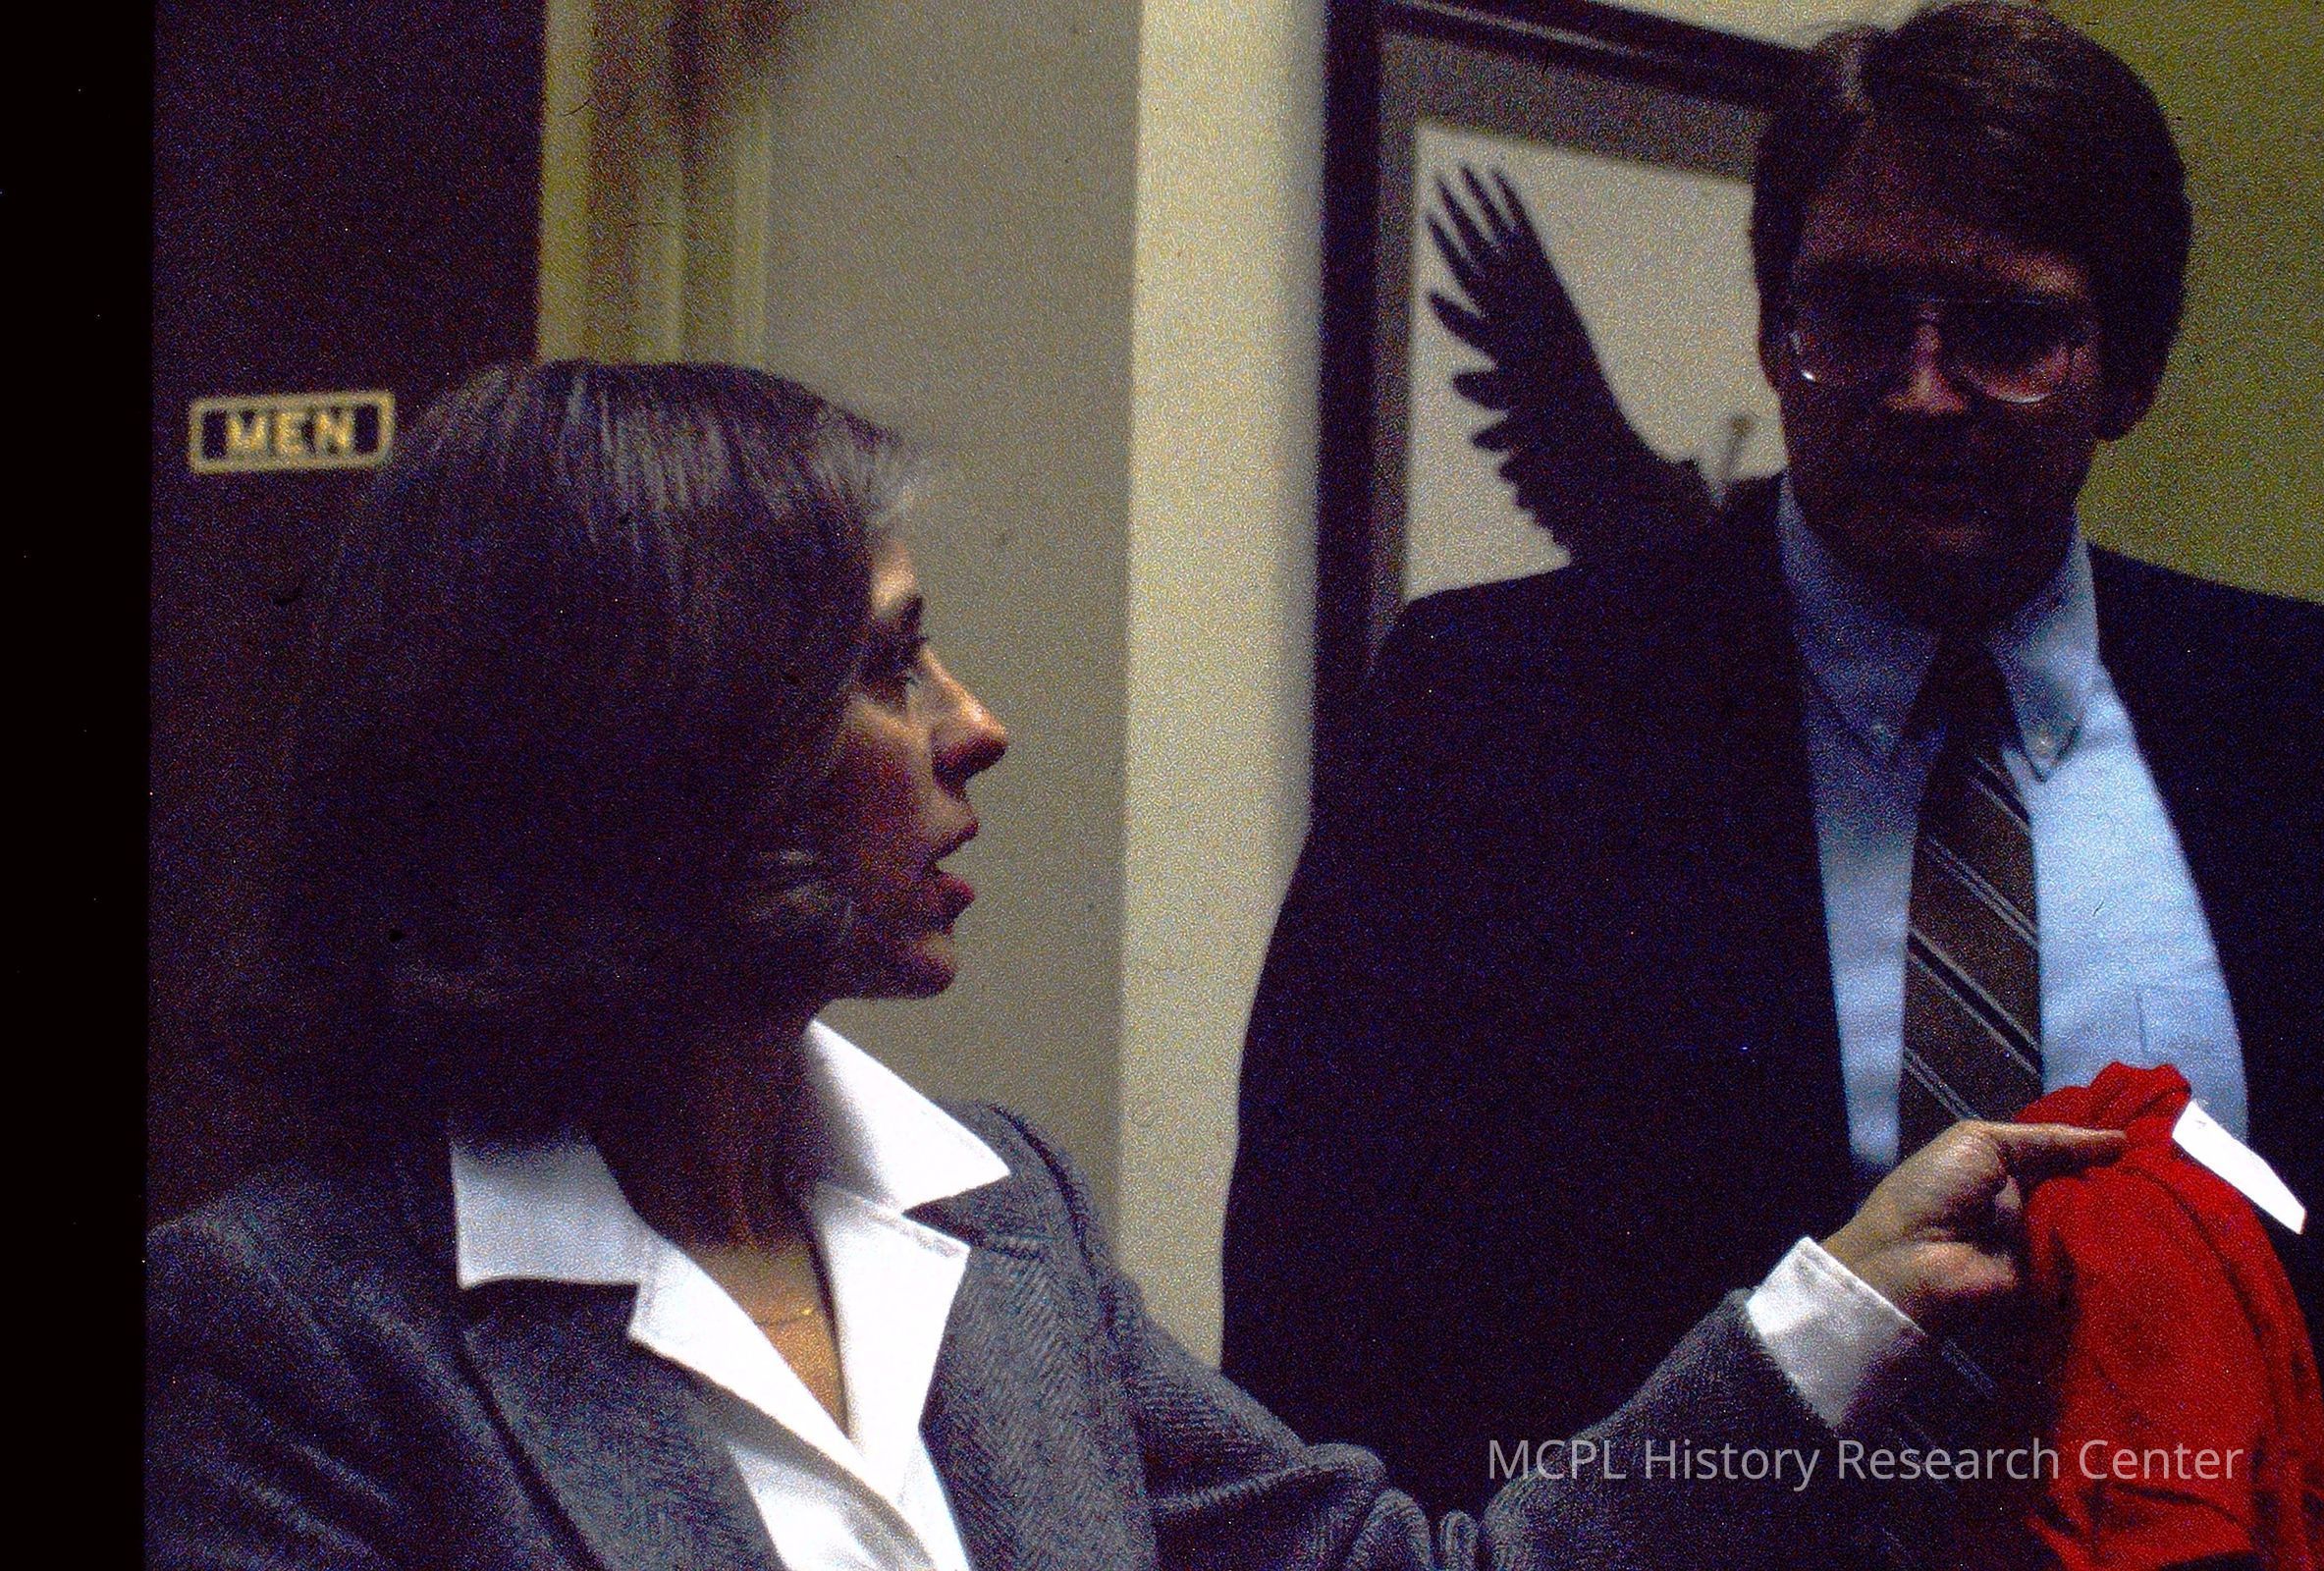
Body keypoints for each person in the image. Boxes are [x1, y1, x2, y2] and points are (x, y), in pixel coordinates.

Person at [147, 360, 2117, 1570]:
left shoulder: (1003, 1219)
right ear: (657, 748)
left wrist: (1837, 1309)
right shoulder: (289, 1333)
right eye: (886, 666)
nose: (975, 725)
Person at [1224, 0, 2324, 1516]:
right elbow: (1322, 1356)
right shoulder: (1494, 718)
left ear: (2132, 369)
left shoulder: (2298, 713)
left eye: (2005, 331)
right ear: (1773, 332)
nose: (1920, 391)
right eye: (1856, 317)